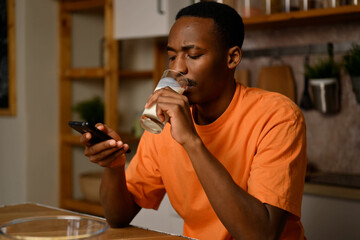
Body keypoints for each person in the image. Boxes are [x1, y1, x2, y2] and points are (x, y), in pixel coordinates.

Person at [80, 2, 307, 239]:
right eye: (171, 56)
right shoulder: (166, 121)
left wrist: (191, 140)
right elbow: (118, 217)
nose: (178, 68)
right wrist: (115, 167)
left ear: (232, 58)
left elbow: (260, 235)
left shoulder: (278, 116)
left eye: (193, 55)